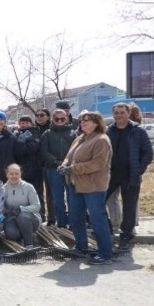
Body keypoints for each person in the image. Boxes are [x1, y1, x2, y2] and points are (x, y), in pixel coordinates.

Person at [59, 111, 114, 265]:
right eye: (82, 121)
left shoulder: (101, 140)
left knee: (97, 219)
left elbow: (98, 164)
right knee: (76, 218)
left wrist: (72, 169)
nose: (83, 123)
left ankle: (105, 254)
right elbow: (69, 156)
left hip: (94, 186)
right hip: (75, 184)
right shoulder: (80, 138)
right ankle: (81, 247)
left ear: (97, 123)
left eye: (87, 121)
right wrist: (64, 165)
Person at [105, 103, 153, 250]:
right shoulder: (108, 131)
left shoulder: (138, 132)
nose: (119, 115)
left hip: (130, 174)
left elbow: (148, 153)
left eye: (122, 112)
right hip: (110, 174)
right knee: (100, 201)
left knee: (129, 206)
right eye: (116, 113)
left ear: (128, 113)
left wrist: (138, 170)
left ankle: (126, 235)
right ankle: (107, 229)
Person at [39, 109, 77, 228]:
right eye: (57, 119)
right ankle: (61, 223)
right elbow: (44, 152)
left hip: (70, 170)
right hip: (53, 169)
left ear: (66, 118)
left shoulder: (72, 133)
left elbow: (76, 151)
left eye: (62, 118)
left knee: (72, 198)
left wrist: (68, 164)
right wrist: (56, 162)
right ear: (53, 119)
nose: (59, 121)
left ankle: (73, 223)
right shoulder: (47, 133)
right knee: (57, 199)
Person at [2, 164, 41, 249]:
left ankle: (29, 244)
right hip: (12, 218)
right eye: (11, 173)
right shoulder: (3, 189)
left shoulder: (28, 187)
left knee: (23, 217)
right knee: (11, 234)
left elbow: (37, 206)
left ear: (20, 174)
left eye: (16, 173)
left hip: (30, 219)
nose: (14, 176)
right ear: (7, 174)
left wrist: (21, 209)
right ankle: (28, 236)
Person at [13, 116, 43, 219]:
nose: (24, 124)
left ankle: (39, 215)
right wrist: (20, 143)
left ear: (31, 123)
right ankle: (23, 215)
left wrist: (20, 144)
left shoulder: (35, 133)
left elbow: (30, 149)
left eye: (27, 122)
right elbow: (15, 152)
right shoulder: (16, 134)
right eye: (22, 122)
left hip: (34, 169)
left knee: (36, 193)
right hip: (21, 170)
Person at [34, 108, 54, 225]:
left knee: (51, 193)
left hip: (50, 164)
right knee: (38, 191)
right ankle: (41, 215)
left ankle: (52, 217)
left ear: (48, 116)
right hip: (37, 165)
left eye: (42, 115)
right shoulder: (34, 130)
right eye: (37, 115)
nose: (39, 117)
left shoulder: (52, 129)